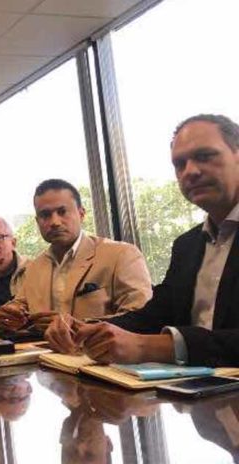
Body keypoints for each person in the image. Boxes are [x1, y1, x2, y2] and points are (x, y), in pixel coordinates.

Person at [46, 115, 239, 367]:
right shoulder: (187, 245)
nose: (190, 171)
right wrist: (85, 328)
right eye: (179, 164)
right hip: (192, 388)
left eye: (204, 156)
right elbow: (153, 316)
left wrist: (153, 347)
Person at [0, 179, 152, 331]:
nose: (55, 222)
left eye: (62, 212)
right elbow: (21, 305)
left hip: (97, 348)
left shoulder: (121, 255)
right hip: (41, 347)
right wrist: (12, 315)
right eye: (45, 215)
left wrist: (77, 326)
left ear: (81, 214)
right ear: (37, 222)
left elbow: (142, 318)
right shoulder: (35, 267)